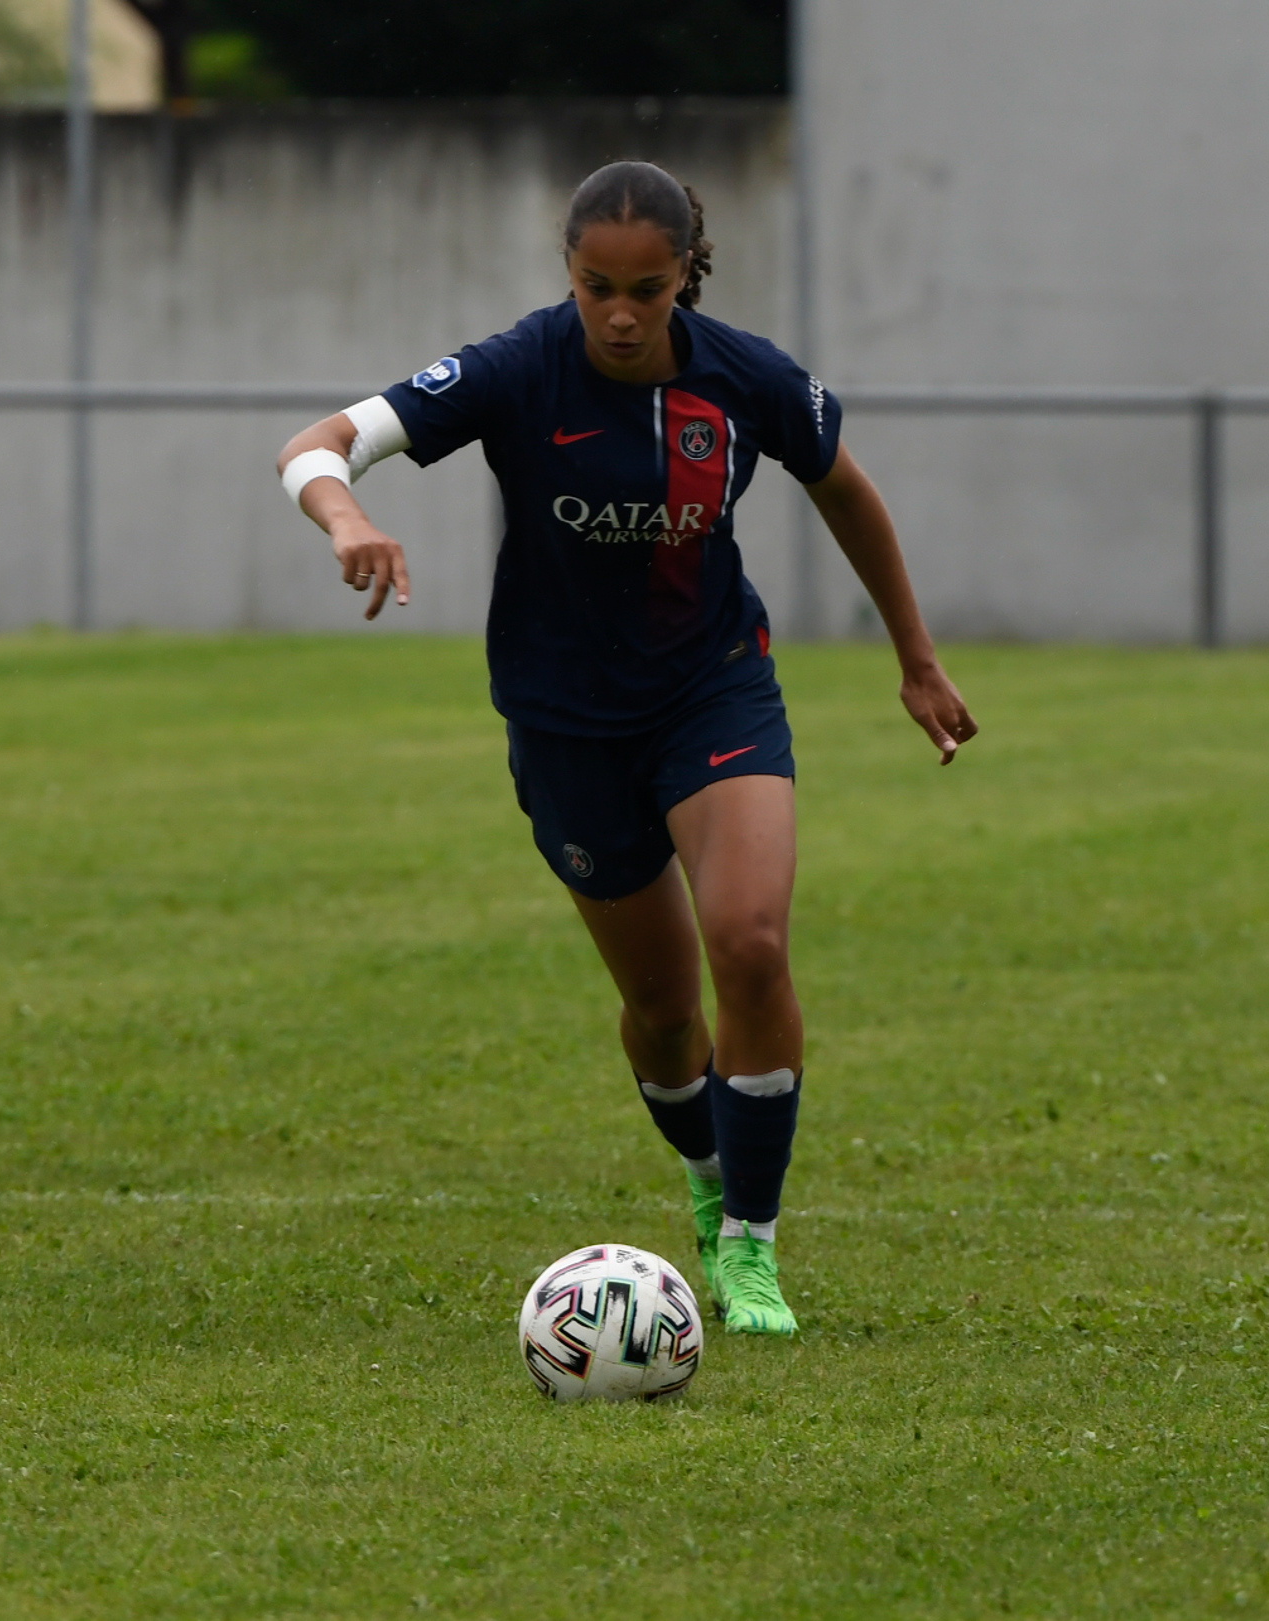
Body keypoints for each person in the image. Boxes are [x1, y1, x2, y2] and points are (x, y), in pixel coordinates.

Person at [273, 160, 977, 1336]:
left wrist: (916, 658)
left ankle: (750, 1242)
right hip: (566, 723)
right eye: (596, 286)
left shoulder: (746, 378)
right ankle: (706, 1177)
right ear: (570, 271)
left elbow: (846, 492)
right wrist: (347, 516)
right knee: (661, 1011)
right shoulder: (517, 367)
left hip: (714, 692)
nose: (617, 314)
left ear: (685, 276)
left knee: (750, 943)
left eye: (645, 290)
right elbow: (318, 444)